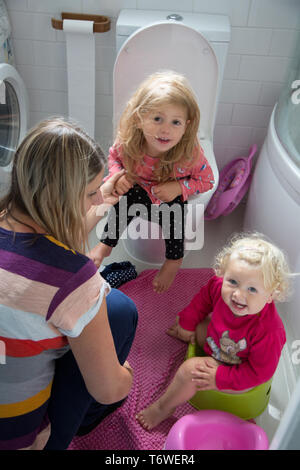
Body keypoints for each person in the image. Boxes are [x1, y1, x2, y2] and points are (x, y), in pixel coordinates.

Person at [0, 118, 138, 450]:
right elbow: (109, 389)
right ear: (59, 198)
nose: (95, 202)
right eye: (90, 193)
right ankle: (67, 432)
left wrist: (104, 194)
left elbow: (53, 245)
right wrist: (125, 373)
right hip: (17, 437)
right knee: (119, 310)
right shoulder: (75, 280)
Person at [137, 232, 291, 430]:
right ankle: (190, 334)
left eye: (252, 289)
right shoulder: (218, 287)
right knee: (186, 321)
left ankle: (163, 407)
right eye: (233, 282)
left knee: (189, 371)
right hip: (216, 341)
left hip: (240, 369)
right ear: (223, 274)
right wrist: (187, 324)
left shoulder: (270, 331)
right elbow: (202, 302)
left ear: (271, 295)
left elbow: (259, 373)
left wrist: (219, 377)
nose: (238, 294)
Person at [88, 71, 214, 293]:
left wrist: (178, 187)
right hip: (139, 188)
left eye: (176, 122)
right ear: (139, 118)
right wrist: (118, 176)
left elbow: (207, 180)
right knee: (122, 202)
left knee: (175, 214)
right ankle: (106, 243)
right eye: (157, 119)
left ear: (187, 124)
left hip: (169, 194)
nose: (166, 129)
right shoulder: (128, 142)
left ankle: (174, 259)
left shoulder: (189, 153)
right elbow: (114, 158)